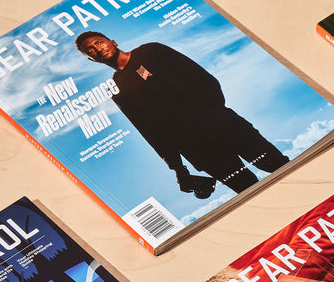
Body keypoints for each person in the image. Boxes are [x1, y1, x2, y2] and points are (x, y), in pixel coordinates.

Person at [75, 31, 289, 196]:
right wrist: (177, 167)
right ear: (90, 59)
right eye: (90, 49)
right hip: (198, 148)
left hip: (225, 125)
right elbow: (149, 131)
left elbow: (204, 79)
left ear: (113, 41)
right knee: (249, 190)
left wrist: (214, 115)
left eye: (99, 42)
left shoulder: (151, 51)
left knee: (281, 168)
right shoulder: (118, 88)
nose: (97, 48)